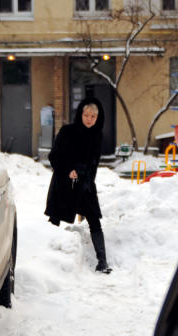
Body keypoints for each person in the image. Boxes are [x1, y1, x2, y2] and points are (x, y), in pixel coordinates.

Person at [44, 98, 112, 274]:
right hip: (66, 183)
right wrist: (68, 170)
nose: (89, 119)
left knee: (94, 221)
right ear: (81, 114)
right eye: (86, 115)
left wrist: (90, 180)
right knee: (55, 218)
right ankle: (45, 258)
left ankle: (102, 261)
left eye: (93, 116)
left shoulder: (97, 135)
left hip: (86, 185)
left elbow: (94, 163)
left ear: (98, 118)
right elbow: (54, 156)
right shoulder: (68, 131)